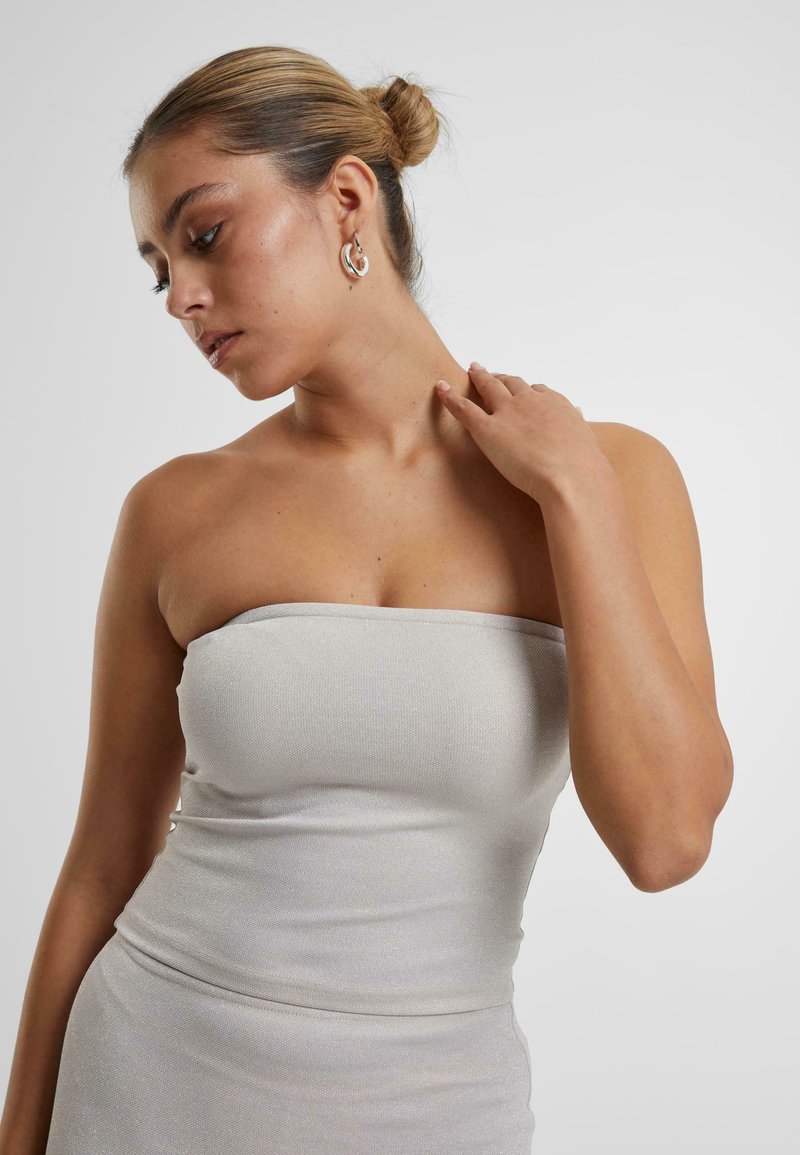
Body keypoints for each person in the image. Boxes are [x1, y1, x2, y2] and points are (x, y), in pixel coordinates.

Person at [0, 45, 733, 1155]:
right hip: (147, 1078)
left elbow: (665, 840)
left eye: (205, 235)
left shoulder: (612, 476)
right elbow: (102, 864)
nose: (181, 296)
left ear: (346, 199)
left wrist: (573, 497)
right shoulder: (178, 510)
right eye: (159, 270)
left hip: (436, 1108)